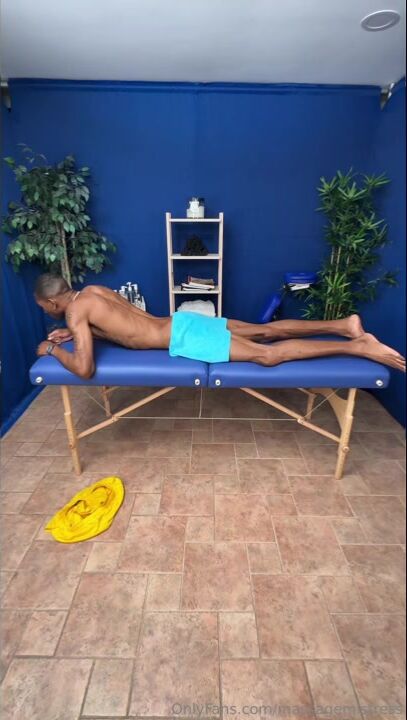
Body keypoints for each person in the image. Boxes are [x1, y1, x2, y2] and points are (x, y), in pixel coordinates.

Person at [34, 273, 405, 379]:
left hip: (183, 336)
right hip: (181, 321)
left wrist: (51, 349)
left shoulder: (75, 313)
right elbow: (124, 327)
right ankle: (344, 325)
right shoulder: (93, 291)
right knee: (265, 331)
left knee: (267, 356)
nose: (47, 312)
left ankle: (357, 346)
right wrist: (83, 333)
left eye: (43, 308)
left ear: (52, 302)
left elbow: (85, 368)